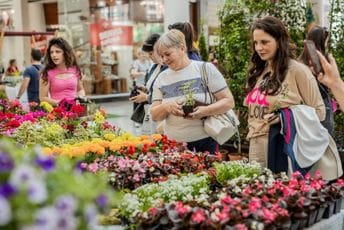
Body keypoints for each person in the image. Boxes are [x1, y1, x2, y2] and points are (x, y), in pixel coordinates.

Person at [244, 16, 325, 167]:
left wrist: (285, 117)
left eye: (264, 42)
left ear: (279, 41)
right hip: (255, 144)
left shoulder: (298, 71)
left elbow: (320, 112)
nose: (259, 48)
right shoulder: (260, 71)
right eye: (256, 43)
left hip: (281, 146)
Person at [151, 29, 234, 154]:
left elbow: (228, 102)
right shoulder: (161, 78)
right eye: (161, 56)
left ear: (182, 48)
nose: (164, 60)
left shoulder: (205, 69)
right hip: (173, 145)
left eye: (168, 54)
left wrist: (205, 111)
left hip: (206, 142)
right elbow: (154, 115)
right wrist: (166, 107)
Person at [130, 33, 167, 135]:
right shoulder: (154, 67)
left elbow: (168, 96)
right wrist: (145, 89)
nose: (150, 57)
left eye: (151, 53)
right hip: (151, 114)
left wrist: (146, 97)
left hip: (163, 117)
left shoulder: (167, 68)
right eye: (148, 54)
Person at [298, 26, 334, 134]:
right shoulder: (323, 59)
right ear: (321, 41)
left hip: (304, 104)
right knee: (325, 137)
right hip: (321, 102)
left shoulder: (300, 61)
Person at [39, 37, 85, 106]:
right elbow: (42, 97)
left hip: (76, 111)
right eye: (51, 52)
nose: (54, 55)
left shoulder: (75, 69)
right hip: (58, 113)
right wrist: (59, 103)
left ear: (65, 53)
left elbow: (80, 90)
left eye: (57, 51)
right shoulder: (46, 73)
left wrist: (80, 100)